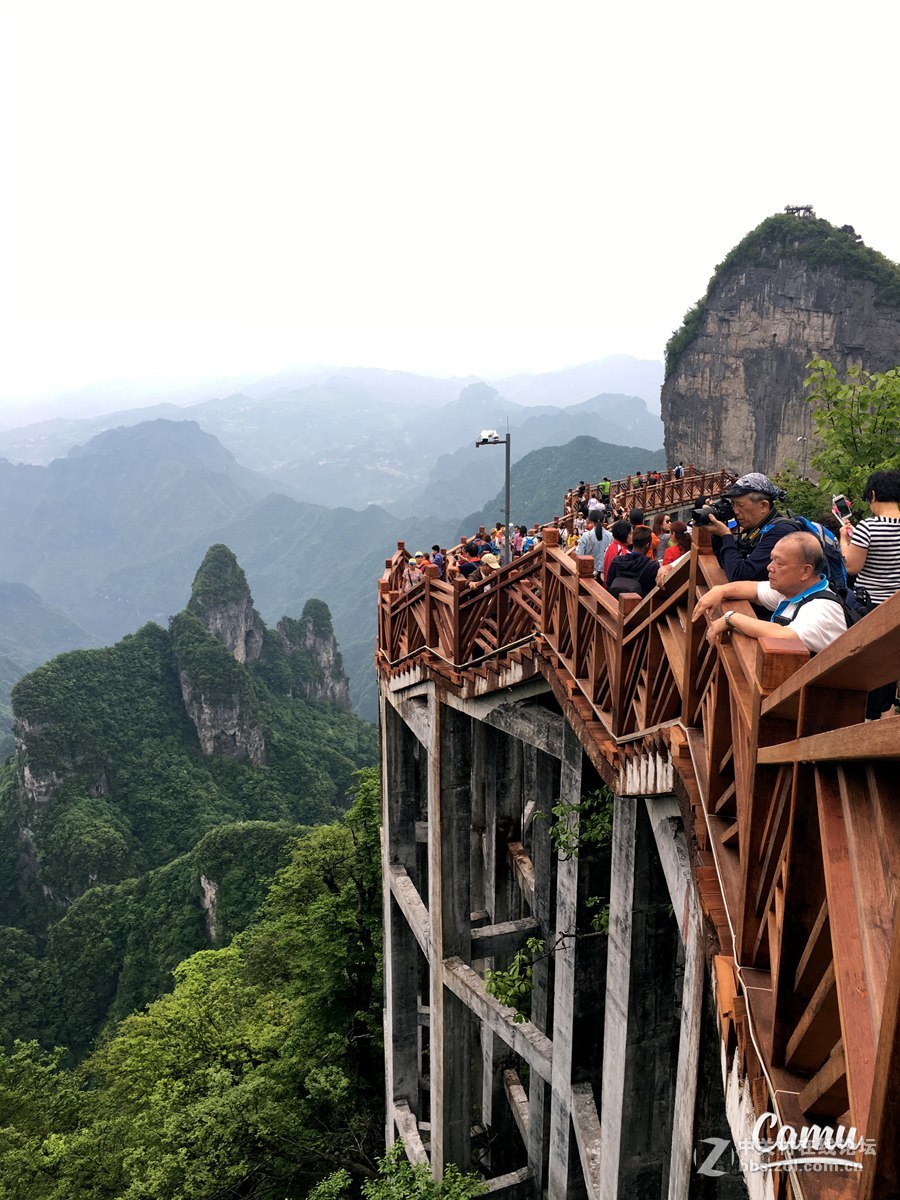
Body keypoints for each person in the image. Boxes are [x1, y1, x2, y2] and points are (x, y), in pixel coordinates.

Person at [693, 532, 847, 654]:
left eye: (779, 563)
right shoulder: (794, 590)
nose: (769, 567)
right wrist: (720, 590)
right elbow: (753, 590)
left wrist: (732, 618)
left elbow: (788, 637)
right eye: (771, 559)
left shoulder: (822, 608)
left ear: (806, 571)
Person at [839, 468, 900, 718]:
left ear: (873, 495)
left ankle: (872, 715)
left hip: (871, 607)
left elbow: (851, 566)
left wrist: (845, 540)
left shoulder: (867, 527)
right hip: (896, 605)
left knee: (874, 662)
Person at [705, 472, 797, 583]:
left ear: (763, 505)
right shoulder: (755, 528)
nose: (735, 511)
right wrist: (718, 535)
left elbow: (739, 576)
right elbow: (725, 564)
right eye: (733, 504)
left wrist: (726, 535)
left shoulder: (781, 533)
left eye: (740, 505)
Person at [605, 526, 660, 597]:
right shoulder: (652, 567)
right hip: (640, 606)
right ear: (648, 545)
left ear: (633, 542)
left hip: (615, 604)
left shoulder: (616, 561)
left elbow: (608, 585)